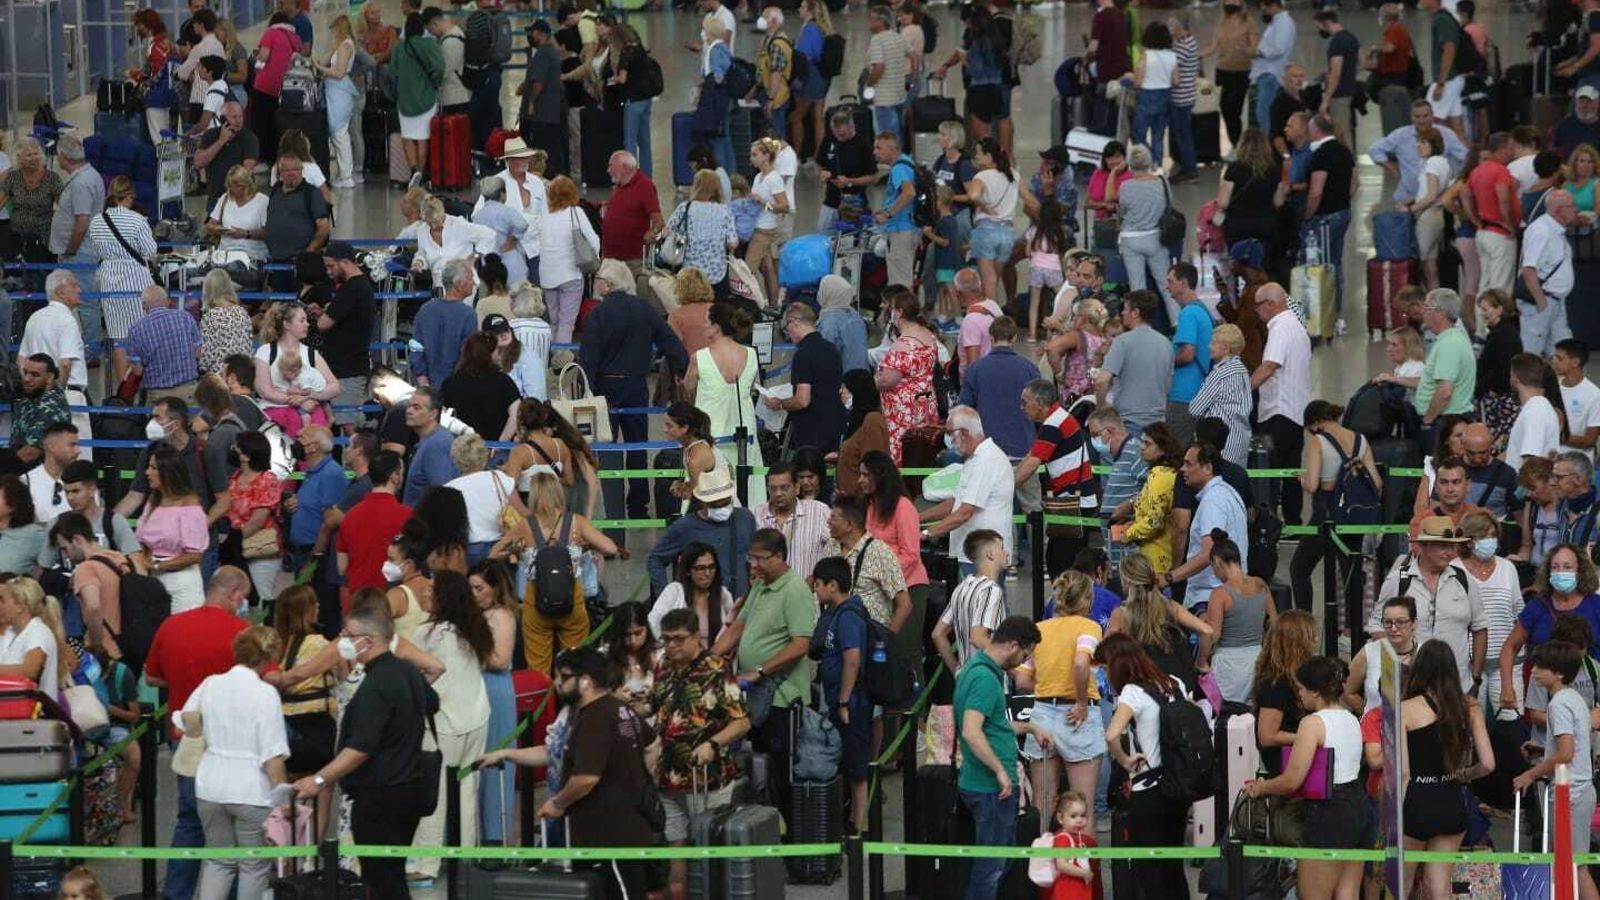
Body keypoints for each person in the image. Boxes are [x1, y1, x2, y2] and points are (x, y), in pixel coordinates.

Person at [291, 604, 438, 900]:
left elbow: (359, 749)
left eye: (348, 635)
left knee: (381, 880)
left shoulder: (376, 684)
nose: (342, 641)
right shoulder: (407, 671)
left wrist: (318, 780)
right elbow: (431, 702)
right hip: (410, 788)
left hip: (379, 796)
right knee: (392, 875)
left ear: (367, 641)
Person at [144, 566, 251, 900]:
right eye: (243, 598)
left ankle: (176, 893)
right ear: (234, 593)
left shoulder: (171, 626)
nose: (243, 604)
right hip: (230, 743)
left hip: (186, 738)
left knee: (189, 820)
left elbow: (151, 677)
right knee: (232, 822)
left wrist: (181, 681)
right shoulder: (242, 632)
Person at [1242, 656, 1373, 900]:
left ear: (1314, 691)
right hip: (1358, 806)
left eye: (1301, 689)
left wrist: (1261, 787)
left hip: (1328, 811)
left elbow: (1292, 780)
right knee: (1348, 894)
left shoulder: (1312, 724)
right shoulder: (1353, 719)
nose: (1300, 695)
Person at [644, 606, 749, 894]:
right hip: (668, 776)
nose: (671, 645)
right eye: (666, 639)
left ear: (695, 637)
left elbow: (742, 722)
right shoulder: (663, 666)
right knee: (675, 845)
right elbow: (654, 705)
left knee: (706, 848)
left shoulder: (717, 668)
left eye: (678, 638)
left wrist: (712, 744)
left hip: (706, 778)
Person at [710, 528, 816, 805]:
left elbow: (801, 644)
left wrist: (760, 671)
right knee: (759, 769)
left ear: (779, 557)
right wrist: (707, 661)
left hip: (782, 699)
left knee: (780, 773)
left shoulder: (795, 590)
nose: (753, 565)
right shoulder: (760, 586)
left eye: (760, 559)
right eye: (751, 558)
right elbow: (738, 626)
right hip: (755, 696)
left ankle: (785, 826)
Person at [184, 625, 289, 900]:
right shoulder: (265, 693)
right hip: (251, 791)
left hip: (209, 786)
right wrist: (283, 799)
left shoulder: (210, 684)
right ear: (269, 656)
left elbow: (185, 719)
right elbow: (272, 754)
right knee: (253, 866)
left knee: (218, 861)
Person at [1099, 632, 1188, 895]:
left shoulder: (1132, 692)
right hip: (1179, 785)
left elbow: (1111, 735)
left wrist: (1125, 760)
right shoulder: (1174, 683)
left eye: (1105, 667)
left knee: (1148, 869)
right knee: (1173, 866)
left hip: (1149, 789)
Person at [1013, 571, 1103, 831]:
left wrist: (1047, 687)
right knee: (1081, 807)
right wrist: (1082, 702)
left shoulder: (1040, 630)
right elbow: (1081, 663)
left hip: (1042, 715)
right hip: (1077, 716)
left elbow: (1022, 680)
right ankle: (1081, 857)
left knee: (1043, 803)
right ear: (1086, 599)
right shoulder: (1088, 627)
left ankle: (1042, 854)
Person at [1513, 639, 1600, 900]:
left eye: (1541, 666)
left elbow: (1566, 753)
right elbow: (1577, 745)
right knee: (1574, 865)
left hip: (1570, 794)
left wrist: (1531, 773)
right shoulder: (1574, 698)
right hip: (1579, 791)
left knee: (1575, 868)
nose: (1534, 671)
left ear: (1559, 673)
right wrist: (1542, 749)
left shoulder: (1558, 704)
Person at [1369, 516, 1488, 693]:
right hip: (1408, 686)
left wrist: (1476, 679)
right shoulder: (1398, 580)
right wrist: (1398, 662)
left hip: (1457, 686)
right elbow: (1376, 626)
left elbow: (1480, 629)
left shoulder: (1464, 580)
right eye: (1442, 546)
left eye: (1451, 546)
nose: (1449, 552)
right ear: (1423, 546)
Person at [1290, 400, 1383, 612]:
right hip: (1355, 513)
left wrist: (1301, 479)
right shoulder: (1360, 439)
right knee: (1350, 570)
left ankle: (1305, 622)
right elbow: (1377, 483)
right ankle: (1353, 625)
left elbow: (1312, 485)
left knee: (1299, 568)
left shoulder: (1318, 442)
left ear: (1315, 423)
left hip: (1328, 512)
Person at [808, 556, 874, 832]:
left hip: (852, 702)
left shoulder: (848, 616)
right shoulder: (837, 614)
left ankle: (859, 827)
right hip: (840, 699)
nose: (815, 590)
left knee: (857, 768)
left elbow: (852, 660)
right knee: (848, 762)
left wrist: (844, 701)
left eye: (818, 585)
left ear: (832, 585)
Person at [684, 303, 765, 506]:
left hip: (710, 432)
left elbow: (688, 388)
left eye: (706, 322)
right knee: (748, 486)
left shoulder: (699, 358)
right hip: (744, 430)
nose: (703, 326)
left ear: (716, 327)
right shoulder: (751, 355)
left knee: (706, 487)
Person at [922, 406, 1016, 572]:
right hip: (972, 554)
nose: (949, 440)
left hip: (983, 557)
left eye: (950, 433)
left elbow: (964, 512)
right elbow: (955, 502)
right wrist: (917, 518)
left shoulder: (986, 460)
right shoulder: (974, 459)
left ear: (963, 433)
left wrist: (926, 534)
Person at [1251, 282, 1312, 524]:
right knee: (1291, 471)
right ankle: (1294, 522)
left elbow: (1270, 365)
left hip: (1278, 411)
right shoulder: (1297, 327)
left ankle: (1270, 524)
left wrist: (1244, 389)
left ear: (1271, 304)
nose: (1256, 311)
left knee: (1272, 473)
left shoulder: (1280, 328)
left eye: (1258, 305)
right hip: (1295, 411)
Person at [86, 177, 157, 376]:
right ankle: (143, 381)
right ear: (129, 196)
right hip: (136, 280)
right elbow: (151, 251)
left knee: (118, 337)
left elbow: (96, 251)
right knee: (142, 333)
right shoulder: (137, 220)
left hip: (109, 280)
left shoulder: (97, 221)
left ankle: (124, 386)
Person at [1094, 291, 1173, 439]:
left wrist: (1101, 408)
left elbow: (1101, 381)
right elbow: (1167, 385)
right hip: (1158, 424)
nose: (1122, 313)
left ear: (1135, 312)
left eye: (1125, 308)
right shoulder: (1166, 343)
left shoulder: (1122, 342)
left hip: (1128, 422)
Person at [932, 529, 1009, 674]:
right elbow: (978, 637)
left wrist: (956, 670)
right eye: (1002, 548)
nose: (1007, 553)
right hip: (987, 678)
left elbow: (938, 634)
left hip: (966, 677)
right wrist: (1014, 666)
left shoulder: (962, 587)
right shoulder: (991, 590)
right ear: (990, 554)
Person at [1414, 288, 1479, 444]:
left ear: (1440, 313)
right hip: (1446, 418)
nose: (1423, 312)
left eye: (1427, 307)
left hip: (1446, 422)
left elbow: (1445, 391)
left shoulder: (1449, 344)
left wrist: (1428, 420)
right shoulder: (1451, 339)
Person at [1521, 188, 1580, 357]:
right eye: (1571, 206)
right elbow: (1528, 269)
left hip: (1556, 300)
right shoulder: (1541, 231)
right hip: (1542, 300)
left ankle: (1562, 376)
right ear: (1558, 210)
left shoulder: (1555, 229)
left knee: (1563, 349)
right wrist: (1541, 302)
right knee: (1532, 350)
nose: (1576, 209)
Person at [663, 170, 738, 298]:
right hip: (717, 273)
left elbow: (666, 233)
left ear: (696, 186)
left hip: (690, 273)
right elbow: (732, 243)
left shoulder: (684, 208)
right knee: (717, 308)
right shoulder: (724, 211)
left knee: (689, 305)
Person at [1188, 324, 1252, 468]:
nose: (1209, 346)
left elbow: (1195, 409)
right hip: (1240, 439)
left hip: (1220, 442)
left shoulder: (1220, 373)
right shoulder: (1243, 370)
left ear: (1226, 348)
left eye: (1213, 343)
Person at [965, 138, 1020, 305]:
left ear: (989, 156)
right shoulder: (1013, 175)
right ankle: (995, 313)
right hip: (1007, 233)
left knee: (989, 281)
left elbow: (972, 196)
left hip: (986, 231)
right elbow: (1030, 200)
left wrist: (984, 206)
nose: (976, 157)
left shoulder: (981, 176)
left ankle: (992, 318)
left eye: (979, 153)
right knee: (995, 279)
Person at [1250, 0, 1295, 133]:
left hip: (1271, 74)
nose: (1264, 12)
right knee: (1264, 113)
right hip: (1266, 72)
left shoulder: (1283, 23)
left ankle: (1269, 142)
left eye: (1265, 9)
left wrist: (1258, 52)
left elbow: (1279, 48)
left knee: (1264, 114)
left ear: (1274, 5)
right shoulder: (1277, 22)